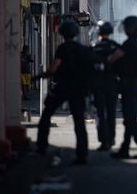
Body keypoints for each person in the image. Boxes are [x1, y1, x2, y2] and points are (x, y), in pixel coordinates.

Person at [34, 20, 89, 165]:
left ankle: (41, 147)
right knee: (79, 121)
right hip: (78, 89)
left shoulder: (62, 49)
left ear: (62, 33)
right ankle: (82, 154)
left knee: (46, 115)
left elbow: (53, 69)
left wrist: (40, 76)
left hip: (63, 87)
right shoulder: (82, 49)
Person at [108, 16, 137, 159]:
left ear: (131, 28)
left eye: (126, 27)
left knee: (130, 119)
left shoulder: (129, 43)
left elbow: (113, 58)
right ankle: (125, 148)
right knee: (129, 117)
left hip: (128, 84)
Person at [92, 21, 120, 151]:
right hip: (112, 85)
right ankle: (112, 138)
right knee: (111, 113)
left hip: (97, 85)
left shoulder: (94, 47)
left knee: (100, 114)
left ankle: (104, 141)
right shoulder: (115, 47)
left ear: (98, 32)